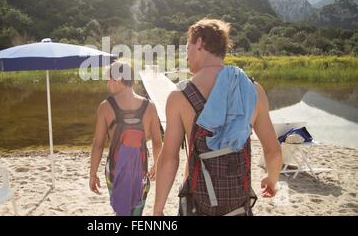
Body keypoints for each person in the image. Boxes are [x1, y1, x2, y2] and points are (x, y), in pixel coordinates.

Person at [154, 18, 282, 216]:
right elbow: (273, 152)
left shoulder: (180, 97)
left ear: (199, 43)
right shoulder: (253, 90)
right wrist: (271, 180)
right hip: (238, 207)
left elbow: (170, 159)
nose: (186, 56)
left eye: (187, 47)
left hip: (197, 207)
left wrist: (158, 209)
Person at [90, 61, 163, 216]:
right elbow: (157, 142)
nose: (108, 83)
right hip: (141, 172)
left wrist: (93, 173)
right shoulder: (150, 106)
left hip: (115, 171)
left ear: (117, 80)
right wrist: (156, 166)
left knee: (121, 210)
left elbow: (98, 144)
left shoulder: (105, 107)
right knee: (137, 212)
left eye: (109, 79)